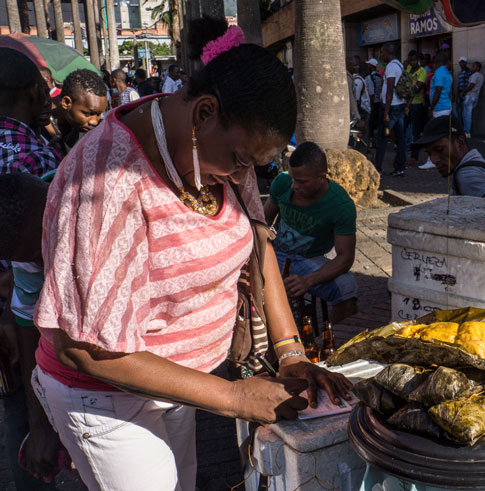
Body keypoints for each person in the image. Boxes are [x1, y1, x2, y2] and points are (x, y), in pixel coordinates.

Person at [31, 17, 349, 490]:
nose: (245, 174)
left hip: (180, 383)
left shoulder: (218, 148)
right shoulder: (108, 181)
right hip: (104, 394)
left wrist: (290, 353)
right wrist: (234, 398)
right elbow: (84, 349)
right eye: (242, 161)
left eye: (255, 165)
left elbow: (259, 246)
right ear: (204, 112)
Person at [0, 48, 68, 491]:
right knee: (31, 415)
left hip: (13, 309)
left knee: (15, 411)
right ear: (31, 92)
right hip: (25, 312)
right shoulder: (34, 160)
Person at [263, 142, 358, 324]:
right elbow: (262, 222)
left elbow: (345, 258)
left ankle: (338, 344)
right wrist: (261, 258)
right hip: (274, 253)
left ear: (321, 178)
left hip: (308, 260)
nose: (294, 186)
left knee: (347, 288)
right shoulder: (282, 182)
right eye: (292, 178)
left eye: (301, 181)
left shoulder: (340, 205)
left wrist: (307, 281)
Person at [412, 116, 485, 200]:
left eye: (440, 149)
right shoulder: (476, 164)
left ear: (460, 143)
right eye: (429, 154)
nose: (434, 160)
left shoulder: (467, 176)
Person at [45, 69, 108, 155]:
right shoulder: (40, 128)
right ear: (66, 103)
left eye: (98, 114)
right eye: (88, 114)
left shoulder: (97, 131)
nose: (94, 121)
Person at [375, 42, 407, 177]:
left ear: (388, 52)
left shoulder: (391, 67)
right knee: (400, 139)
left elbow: (389, 89)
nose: (381, 55)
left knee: (382, 138)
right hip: (399, 105)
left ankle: (378, 169)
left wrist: (386, 112)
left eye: (382, 52)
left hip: (391, 107)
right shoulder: (400, 65)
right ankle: (400, 168)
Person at [405, 50, 427, 165]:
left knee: (415, 131)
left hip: (416, 104)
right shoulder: (408, 69)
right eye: (410, 61)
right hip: (406, 103)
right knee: (403, 130)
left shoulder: (422, 71)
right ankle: (403, 155)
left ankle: (415, 156)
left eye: (414, 60)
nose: (412, 63)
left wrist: (407, 90)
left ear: (417, 59)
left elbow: (416, 89)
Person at [460, 61, 484, 138]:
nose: (472, 68)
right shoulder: (481, 76)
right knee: (465, 115)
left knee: (467, 116)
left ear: (478, 68)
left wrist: (463, 92)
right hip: (475, 97)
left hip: (470, 97)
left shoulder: (475, 75)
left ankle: (467, 133)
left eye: (474, 66)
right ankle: (466, 132)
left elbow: (471, 85)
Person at [429, 52, 452, 120]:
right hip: (446, 106)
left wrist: (431, 108)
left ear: (437, 62)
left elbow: (438, 91)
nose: (433, 65)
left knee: (438, 129)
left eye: (434, 63)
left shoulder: (439, 72)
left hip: (440, 108)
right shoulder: (447, 72)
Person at [365, 58, 382, 145]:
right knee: (378, 122)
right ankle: (377, 140)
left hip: (373, 103)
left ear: (371, 66)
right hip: (380, 102)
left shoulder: (369, 78)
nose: (367, 67)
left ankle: (372, 142)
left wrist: (370, 106)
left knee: (371, 123)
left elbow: (371, 93)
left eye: (368, 65)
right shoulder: (379, 76)